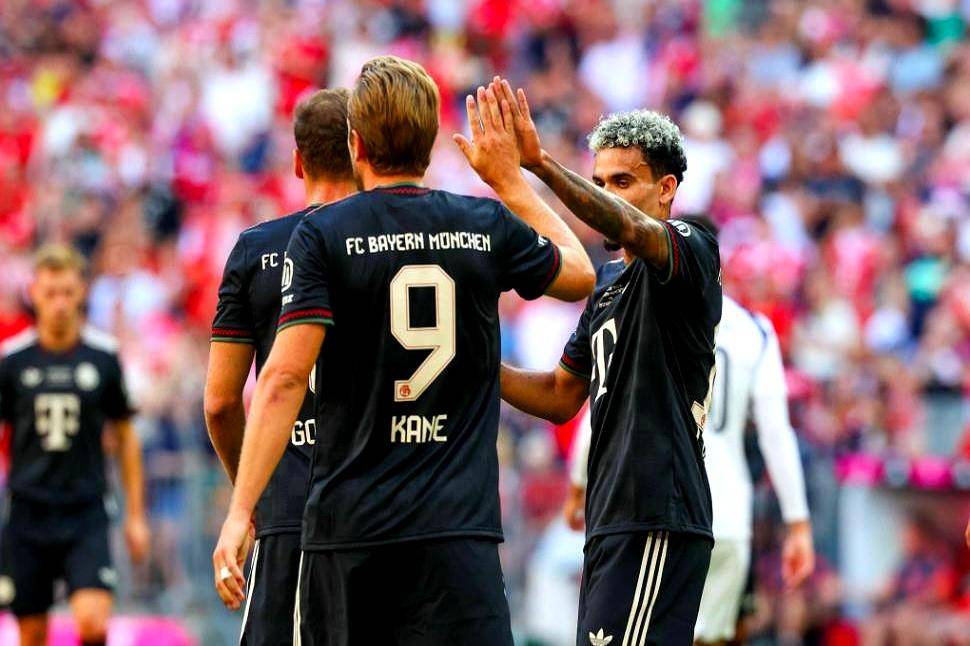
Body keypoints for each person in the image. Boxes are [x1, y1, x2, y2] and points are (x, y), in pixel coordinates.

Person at [212, 58, 595, 645]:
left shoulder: (322, 235)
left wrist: (241, 511)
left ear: (357, 145)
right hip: (456, 532)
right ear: (432, 140)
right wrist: (511, 182)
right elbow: (579, 274)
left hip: (351, 531)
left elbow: (284, 378)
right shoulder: (481, 223)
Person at [497, 78, 721, 645]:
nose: (606, 195)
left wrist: (540, 166)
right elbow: (559, 395)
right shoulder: (608, 286)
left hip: (657, 511)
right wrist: (476, 363)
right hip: (612, 516)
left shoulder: (690, 247)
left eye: (622, 181)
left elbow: (628, 226)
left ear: (666, 189)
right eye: (599, 182)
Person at [564, 292, 815, 646]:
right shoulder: (754, 330)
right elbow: (776, 433)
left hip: (663, 509)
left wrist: (579, 483)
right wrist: (798, 523)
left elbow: (606, 403)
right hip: (728, 516)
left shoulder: (647, 308)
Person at [205, 88, 357, 645]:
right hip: (381, 503)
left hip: (291, 504)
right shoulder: (394, 242)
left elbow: (220, 402)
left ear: (297, 160)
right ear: (361, 150)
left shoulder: (256, 249)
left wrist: (251, 495)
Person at [0, 245, 149, 646]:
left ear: (82, 291)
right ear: (34, 293)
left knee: (93, 623)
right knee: (32, 632)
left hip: (86, 510)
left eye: (67, 292)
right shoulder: (12, 361)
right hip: (28, 511)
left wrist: (136, 516)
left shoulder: (103, 357)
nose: (60, 303)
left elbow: (126, 436)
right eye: (51, 293)